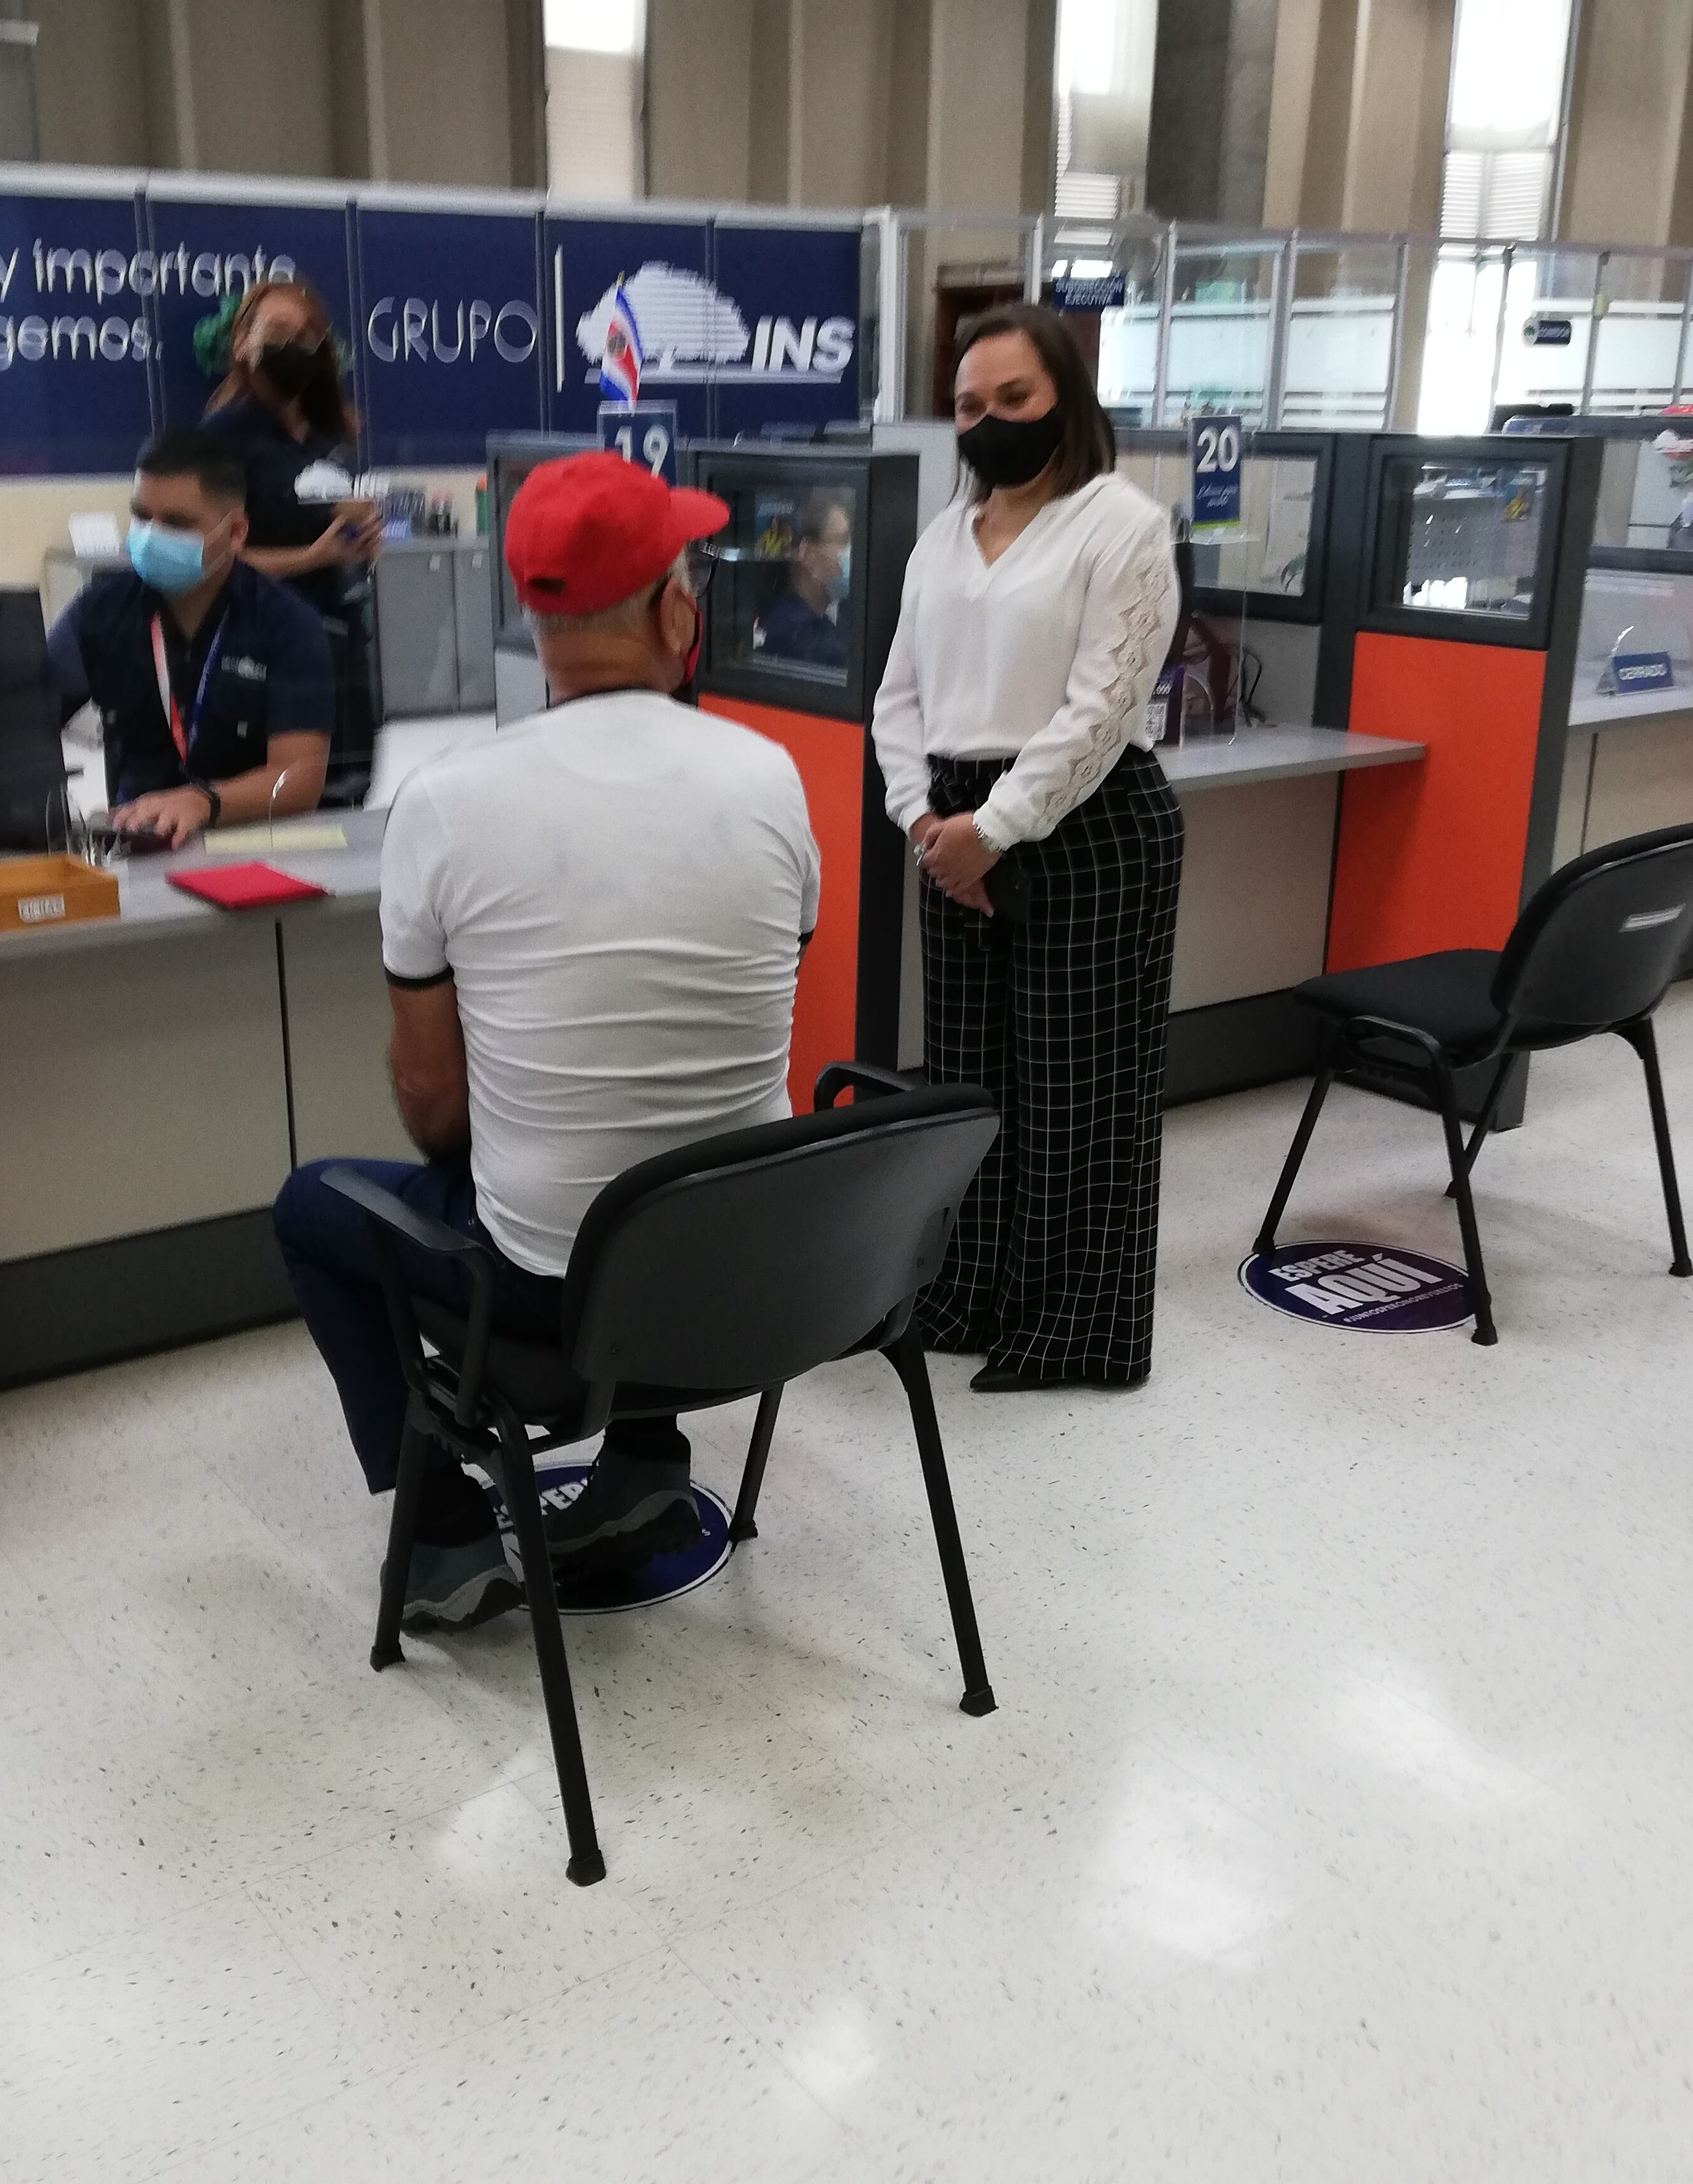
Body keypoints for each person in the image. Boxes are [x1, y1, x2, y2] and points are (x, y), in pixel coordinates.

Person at [273, 452, 820, 1632]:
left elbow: (427, 1105)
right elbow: (753, 1004)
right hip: (772, 1277)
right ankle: (637, 1473)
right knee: (669, 1149)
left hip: (553, 1307)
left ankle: (445, 1534)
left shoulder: (448, 803)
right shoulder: (771, 776)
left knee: (316, 1205)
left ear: (532, 617)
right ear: (680, 609)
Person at [871, 301, 1184, 1393]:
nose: (989, 420)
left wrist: (994, 829)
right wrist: (923, 819)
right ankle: (968, 1293)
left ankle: (1073, 1327)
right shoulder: (938, 540)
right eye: (968, 404)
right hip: (949, 825)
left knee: (1078, 1087)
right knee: (970, 1084)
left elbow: (1104, 709)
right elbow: (897, 700)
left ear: (1066, 403)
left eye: (1014, 399)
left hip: (1083, 823)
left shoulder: (1121, 526)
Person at [47, 428, 334, 847]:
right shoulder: (100, 611)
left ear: (235, 533)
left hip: (256, 844)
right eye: (142, 517)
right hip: (141, 843)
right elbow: (24, 719)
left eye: (176, 523)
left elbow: (298, 780)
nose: (150, 535)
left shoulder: (288, 625)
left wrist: (203, 803)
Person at [202, 279, 384, 806]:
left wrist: (361, 544)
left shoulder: (332, 434)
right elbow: (212, 561)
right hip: (264, 653)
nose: (294, 348)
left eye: (307, 337)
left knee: (347, 794)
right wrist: (313, 558)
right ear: (243, 343)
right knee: (285, 802)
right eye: (277, 332)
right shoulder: (221, 440)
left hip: (342, 644)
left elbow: (331, 525)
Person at [752, 488, 852, 671]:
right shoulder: (800, 637)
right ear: (808, 553)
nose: (849, 552)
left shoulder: (817, 624)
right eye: (842, 540)